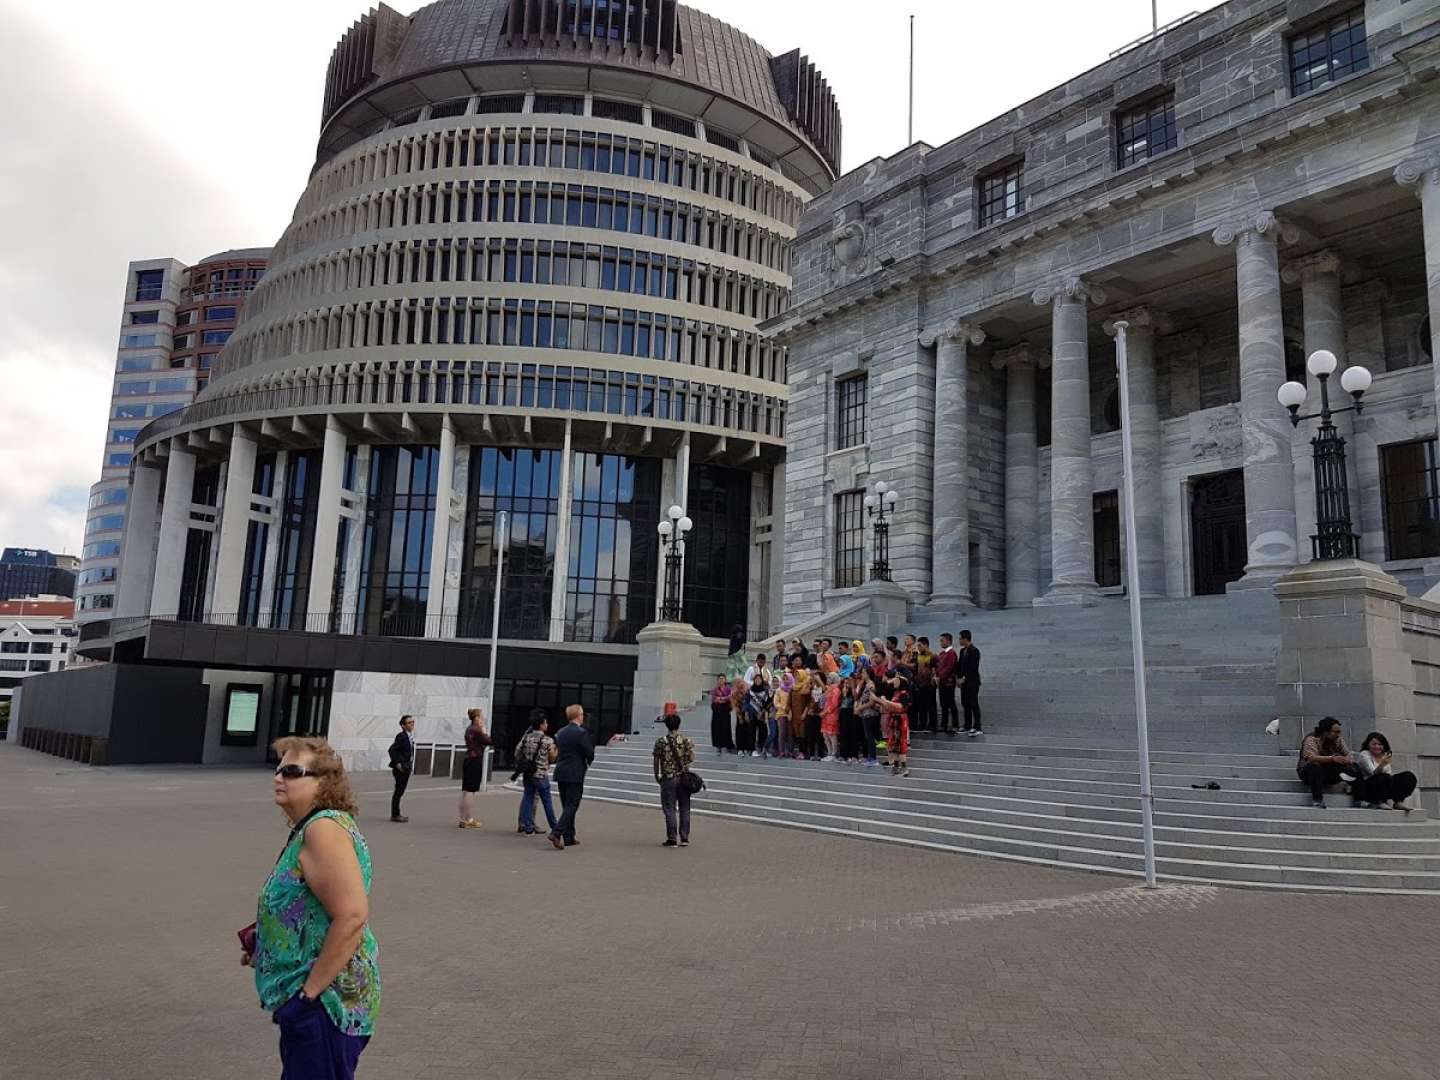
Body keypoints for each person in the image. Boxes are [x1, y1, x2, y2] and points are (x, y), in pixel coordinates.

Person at [246, 737, 380, 1079]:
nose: (278, 777)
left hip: (326, 1004)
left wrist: (307, 997)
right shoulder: (310, 828)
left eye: (291, 771)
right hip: (316, 1000)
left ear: (323, 783)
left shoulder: (323, 830)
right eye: (278, 769)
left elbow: (351, 915)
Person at [550, 704, 595, 848]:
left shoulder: (560, 732)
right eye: (582, 714)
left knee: (566, 805)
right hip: (575, 773)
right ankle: (556, 833)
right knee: (572, 805)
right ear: (578, 716)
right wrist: (587, 762)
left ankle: (569, 836)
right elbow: (589, 752)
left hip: (561, 771)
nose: (583, 717)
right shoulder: (581, 733)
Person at [653, 709, 696, 847]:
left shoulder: (661, 742)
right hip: (683, 778)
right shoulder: (685, 740)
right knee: (684, 807)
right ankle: (684, 837)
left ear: (666, 725)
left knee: (669, 807)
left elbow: (656, 760)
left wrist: (657, 775)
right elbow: (691, 757)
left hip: (668, 778)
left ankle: (672, 838)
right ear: (678, 725)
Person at [515, 714, 560, 837]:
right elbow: (552, 757)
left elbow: (517, 753)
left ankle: (528, 828)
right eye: (546, 723)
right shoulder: (547, 740)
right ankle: (554, 827)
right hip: (541, 774)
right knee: (547, 801)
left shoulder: (526, 738)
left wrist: (525, 760)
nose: (547, 725)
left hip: (528, 773)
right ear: (541, 725)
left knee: (528, 798)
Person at [1352, 731, 1419, 810]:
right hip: (1367, 787)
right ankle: (1378, 801)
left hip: (1383, 784)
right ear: (1368, 745)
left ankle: (1398, 801)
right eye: (1374, 744)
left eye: (1380, 744)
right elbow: (1373, 773)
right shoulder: (1364, 755)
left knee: (1408, 776)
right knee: (1384, 777)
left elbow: (1389, 776)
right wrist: (1382, 764)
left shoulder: (1384, 756)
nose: (1377, 747)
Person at [1298, 716, 1352, 808]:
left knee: (1354, 767)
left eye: (1339, 732)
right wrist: (1332, 759)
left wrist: (1346, 760)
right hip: (1308, 773)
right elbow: (1311, 758)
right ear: (1326, 732)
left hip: (1328, 772)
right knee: (1314, 766)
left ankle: (1358, 797)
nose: (1338, 734)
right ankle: (1317, 799)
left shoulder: (1337, 739)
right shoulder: (1311, 739)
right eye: (1336, 732)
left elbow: (1348, 754)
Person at [458, 707, 490, 829]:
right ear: (476, 718)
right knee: (471, 791)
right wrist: (484, 730)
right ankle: (468, 819)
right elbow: (488, 741)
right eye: (481, 717)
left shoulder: (469, 729)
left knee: (465, 790)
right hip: (475, 760)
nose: (483, 719)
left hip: (468, 759)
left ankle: (462, 818)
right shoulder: (477, 730)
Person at [880, 672, 912, 777]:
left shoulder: (904, 694)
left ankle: (904, 768)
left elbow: (900, 706)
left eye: (897, 680)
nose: (894, 681)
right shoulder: (896, 693)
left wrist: (887, 702)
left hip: (900, 720)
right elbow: (883, 685)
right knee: (894, 744)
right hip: (893, 719)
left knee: (900, 744)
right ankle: (896, 767)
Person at [387, 714, 416, 823]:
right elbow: (392, 750)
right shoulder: (402, 736)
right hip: (401, 768)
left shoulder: (409, 736)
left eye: (412, 722)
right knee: (398, 791)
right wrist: (398, 763)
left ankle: (396, 814)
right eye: (409, 723)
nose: (412, 724)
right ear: (403, 726)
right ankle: (395, 815)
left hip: (407, 767)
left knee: (400, 791)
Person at [959, 629, 984, 737]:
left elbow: (973, 667)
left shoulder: (974, 651)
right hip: (964, 683)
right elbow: (960, 666)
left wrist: (964, 678)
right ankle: (967, 725)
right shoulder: (962, 651)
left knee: (974, 704)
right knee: (965, 704)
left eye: (960, 638)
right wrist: (958, 678)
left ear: (965, 639)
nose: (959, 640)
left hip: (972, 682)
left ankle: (977, 726)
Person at [935, 632, 959, 736]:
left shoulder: (951, 653)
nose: (941, 642)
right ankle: (943, 724)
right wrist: (936, 676)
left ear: (948, 641)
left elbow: (949, 668)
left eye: (942, 640)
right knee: (943, 704)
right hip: (942, 682)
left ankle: (955, 724)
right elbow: (939, 667)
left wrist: (940, 676)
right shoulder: (942, 654)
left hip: (948, 682)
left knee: (951, 703)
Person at [913, 637, 936, 733]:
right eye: (917, 645)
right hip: (920, 684)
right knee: (921, 705)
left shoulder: (933, 656)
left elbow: (935, 670)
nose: (918, 647)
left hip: (929, 684)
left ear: (926, 645)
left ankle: (932, 725)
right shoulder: (918, 656)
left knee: (931, 705)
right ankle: (922, 724)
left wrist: (932, 680)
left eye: (920, 645)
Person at [709, 674, 736, 754]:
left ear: (725, 680)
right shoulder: (715, 690)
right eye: (719, 679)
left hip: (725, 711)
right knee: (717, 729)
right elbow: (714, 699)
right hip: (717, 712)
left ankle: (727, 745)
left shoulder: (728, 689)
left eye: (722, 679)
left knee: (726, 728)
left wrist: (721, 699)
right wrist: (723, 699)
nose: (721, 680)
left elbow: (729, 697)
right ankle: (718, 746)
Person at [821, 673, 841, 761]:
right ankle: (829, 752)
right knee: (825, 734)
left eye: (829, 677)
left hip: (832, 715)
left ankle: (834, 753)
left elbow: (834, 704)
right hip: (825, 715)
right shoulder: (828, 689)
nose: (827, 679)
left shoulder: (836, 690)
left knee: (832, 734)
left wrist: (825, 712)